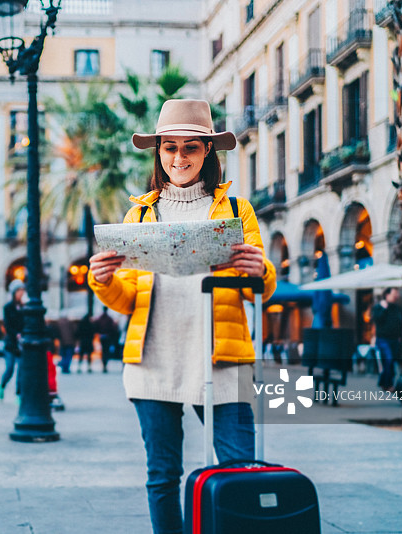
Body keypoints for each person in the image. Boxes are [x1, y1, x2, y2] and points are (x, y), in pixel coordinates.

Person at [87, 99, 276, 534]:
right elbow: (127, 298)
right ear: (158, 153)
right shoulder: (139, 214)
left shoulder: (236, 211)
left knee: (240, 470)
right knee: (161, 476)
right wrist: (102, 279)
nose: (179, 158)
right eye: (170, 148)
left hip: (223, 360)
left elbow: (262, 287)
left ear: (208, 151)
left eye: (190, 147)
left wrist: (259, 270)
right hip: (154, 360)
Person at [372, 287, 402, 392]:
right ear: (387, 295)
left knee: (391, 361)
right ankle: (387, 384)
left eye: (397, 294)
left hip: (395, 339)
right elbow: (377, 319)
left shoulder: (397, 308)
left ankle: (384, 383)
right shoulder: (379, 307)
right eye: (394, 294)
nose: (396, 296)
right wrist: (384, 308)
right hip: (383, 339)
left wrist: (400, 337)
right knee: (388, 359)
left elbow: (400, 323)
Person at [0, 279, 25, 401]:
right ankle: (2, 386)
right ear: (14, 292)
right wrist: (16, 334)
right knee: (10, 369)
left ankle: (18, 394)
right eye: (19, 291)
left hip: (21, 345)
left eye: (22, 291)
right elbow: (7, 325)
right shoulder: (8, 308)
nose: (21, 293)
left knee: (20, 370)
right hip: (10, 343)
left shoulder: (24, 307)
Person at [94, 308, 119, 373]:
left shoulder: (100, 318)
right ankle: (105, 364)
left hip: (102, 336)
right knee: (106, 351)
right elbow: (113, 328)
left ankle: (103, 364)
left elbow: (96, 326)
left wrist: (99, 333)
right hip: (108, 337)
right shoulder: (109, 319)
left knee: (103, 351)